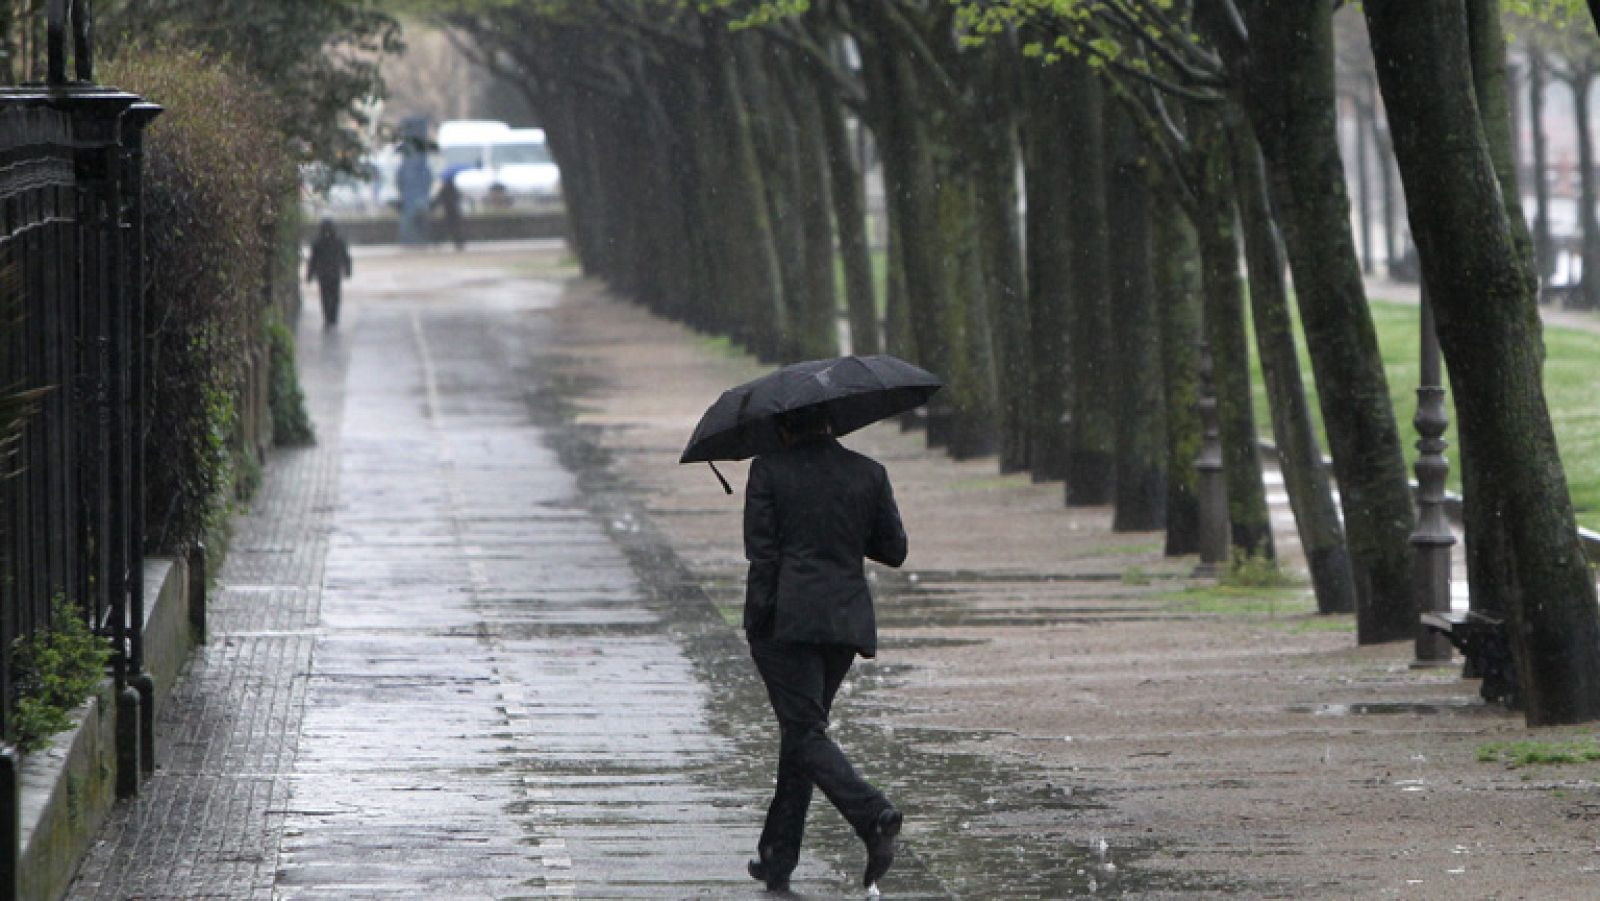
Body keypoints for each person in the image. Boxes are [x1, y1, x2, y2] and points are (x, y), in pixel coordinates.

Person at [741, 404, 908, 893]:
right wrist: (844, 526)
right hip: (843, 622)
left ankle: (872, 813)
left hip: (786, 622)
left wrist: (758, 624)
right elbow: (894, 549)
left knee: (804, 732)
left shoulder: (768, 470)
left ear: (785, 426)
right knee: (804, 732)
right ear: (833, 422)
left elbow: (762, 553)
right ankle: (777, 856)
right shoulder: (868, 473)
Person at [306, 218, 352, 327]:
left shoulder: (317, 243)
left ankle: (328, 317)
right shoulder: (339, 241)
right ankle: (333, 317)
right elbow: (346, 257)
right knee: (335, 295)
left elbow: (313, 260)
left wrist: (310, 275)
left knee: (325, 296)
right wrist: (347, 270)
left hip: (323, 274)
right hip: (334, 273)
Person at [433, 173, 465, 251]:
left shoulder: (443, 190)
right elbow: (458, 198)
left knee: (445, 228)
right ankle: (459, 243)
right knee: (456, 228)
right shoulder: (454, 189)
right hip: (455, 211)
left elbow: (438, 199)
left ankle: (438, 242)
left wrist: (435, 206)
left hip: (447, 211)